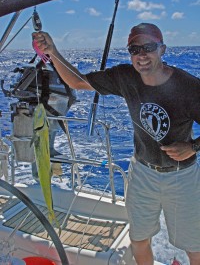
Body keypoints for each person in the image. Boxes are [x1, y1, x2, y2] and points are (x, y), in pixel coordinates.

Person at [32, 23, 200, 265]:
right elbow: (77, 82)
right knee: (139, 239)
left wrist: (192, 147)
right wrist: (53, 51)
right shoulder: (124, 77)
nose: (141, 55)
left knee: (194, 248)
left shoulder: (190, 87)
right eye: (134, 49)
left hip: (181, 177)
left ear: (162, 49)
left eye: (149, 47)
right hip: (142, 173)